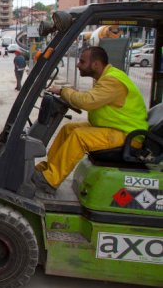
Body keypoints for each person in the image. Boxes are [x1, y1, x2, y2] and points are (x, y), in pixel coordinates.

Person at [32, 47, 148, 194]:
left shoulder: (113, 80)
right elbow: (90, 99)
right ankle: (47, 169)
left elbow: (88, 101)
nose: (77, 64)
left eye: (82, 61)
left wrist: (63, 91)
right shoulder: (106, 78)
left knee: (79, 136)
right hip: (114, 128)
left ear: (96, 64)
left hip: (128, 136)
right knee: (69, 129)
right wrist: (70, 95)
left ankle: (50, 180)